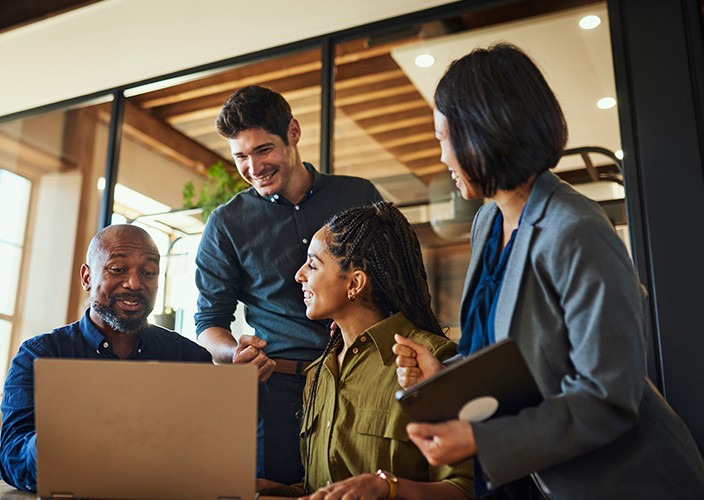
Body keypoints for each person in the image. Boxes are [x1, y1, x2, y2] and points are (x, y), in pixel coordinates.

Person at [393, 43, 704, 500]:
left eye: (443, 138)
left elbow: (606, 395)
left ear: (484, 131)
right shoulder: (488, 221)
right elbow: (518, 352)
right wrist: (441, 372)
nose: (441, 157)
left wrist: (483, 438)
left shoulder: (576, 228)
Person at [194, 85, 383, 484]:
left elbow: (393, 282)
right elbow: (208, 322)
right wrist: (233, 354)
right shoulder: (226, 225)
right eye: (240, 156)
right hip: (278, 391)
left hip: (363, 380)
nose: (253, 167)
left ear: (293, 133)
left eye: (263, 150)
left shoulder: (358, 195)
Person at [257, 201, 473, 499]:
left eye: (313, 264)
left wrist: (388, 487)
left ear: (355, 283)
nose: (299, 275)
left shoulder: (430, 359)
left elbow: (463, 489)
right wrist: (277, 491)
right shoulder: (319, 372)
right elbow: (324, 488)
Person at [0, 224, 212, 493]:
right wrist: (52, 441)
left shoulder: (190, 360)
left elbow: (209, 455)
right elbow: (11, 460)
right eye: (118, 269)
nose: (135, 283)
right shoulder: (39, 356)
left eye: (148, 272)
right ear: (87, 277)